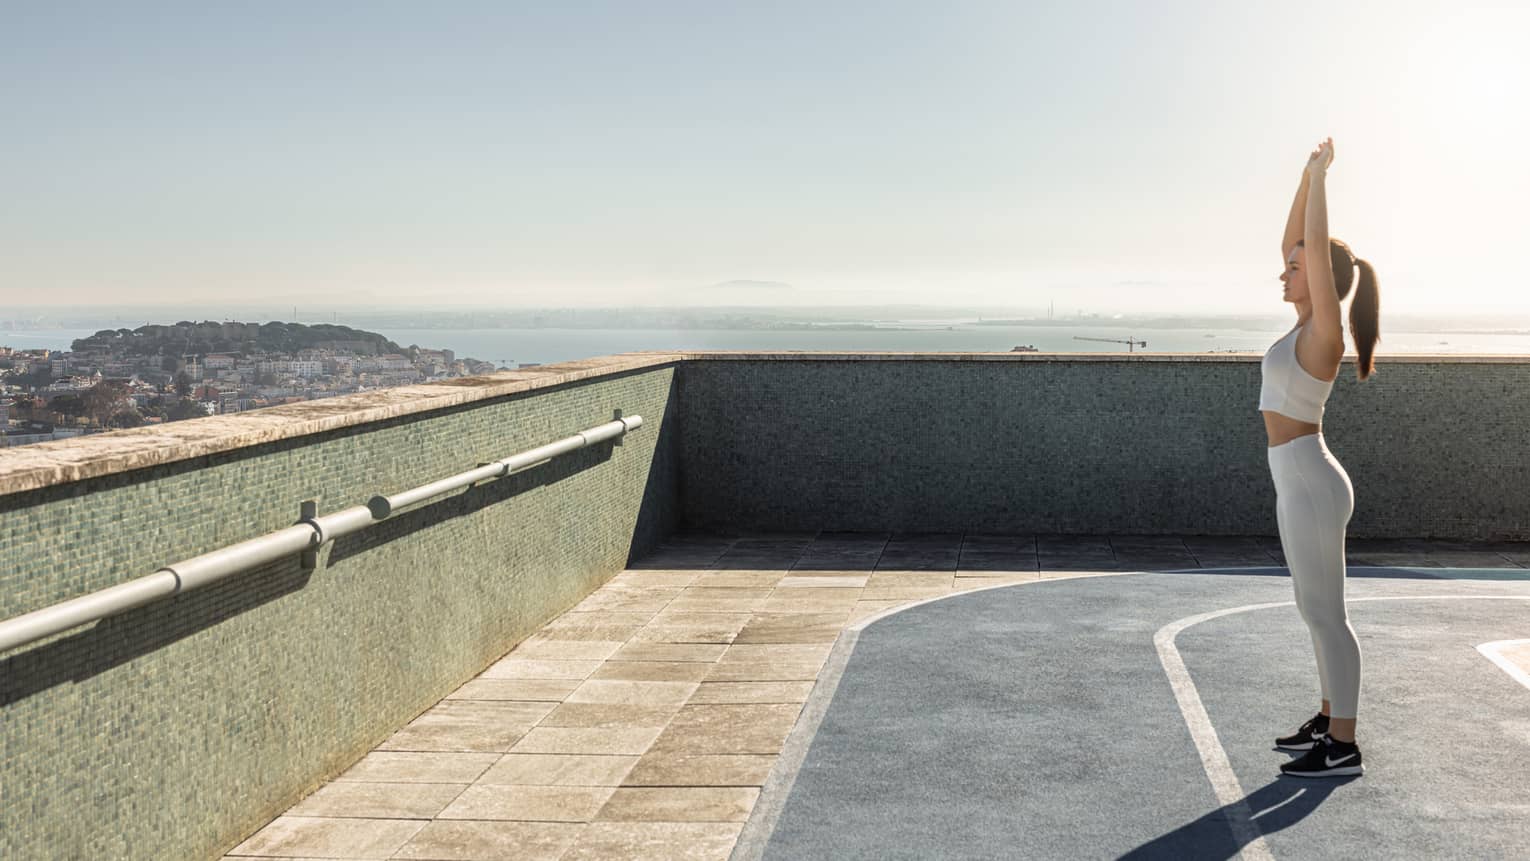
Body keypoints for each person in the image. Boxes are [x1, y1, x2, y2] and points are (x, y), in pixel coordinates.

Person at [1261, 137, 1381, 778]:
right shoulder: (1302, 321)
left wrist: (1319, 178)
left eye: (1296, 267)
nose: (1283, 271)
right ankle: (1330, 717)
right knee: (1313, 609)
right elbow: (1296, 239)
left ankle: (1345, 744)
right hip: (1298, 480)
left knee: (1328, 614)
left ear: (1325, 282)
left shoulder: (1323, 329)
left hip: (1309, 479)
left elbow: (1312, 239)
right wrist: (1302, 181)